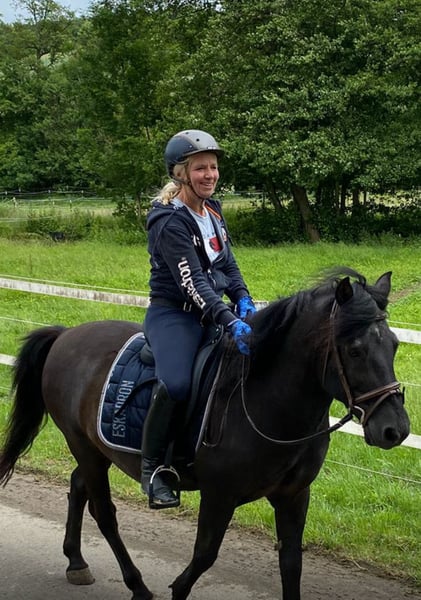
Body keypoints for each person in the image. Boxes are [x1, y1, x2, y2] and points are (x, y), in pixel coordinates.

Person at [141, 129, 257, 509]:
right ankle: (153, 468)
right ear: (181, 174)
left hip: (212, 313)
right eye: (200, 168)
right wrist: (229, 319)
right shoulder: (168, 221)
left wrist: (243, 299)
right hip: (173, 315)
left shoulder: (213, 212)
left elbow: (227, 264)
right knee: (176, 384)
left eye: (213, 167)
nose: (210, 175)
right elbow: (191, 281)